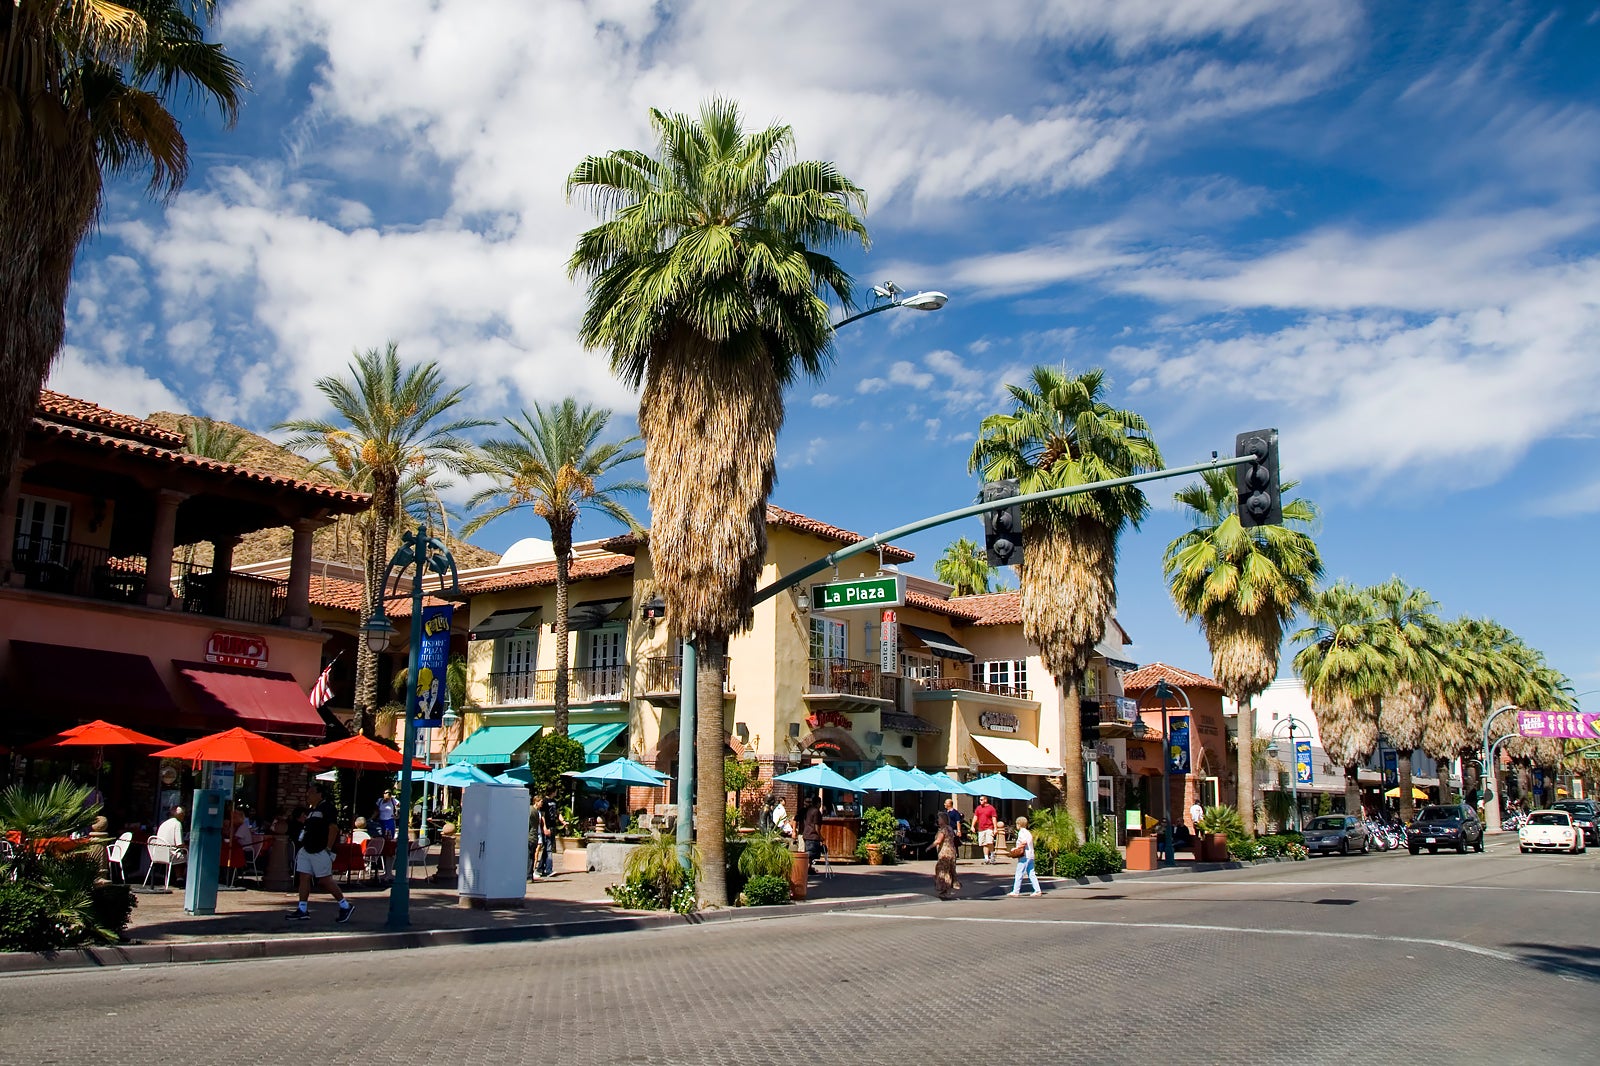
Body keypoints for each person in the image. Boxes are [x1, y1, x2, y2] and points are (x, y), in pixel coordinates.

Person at [288, 783, 354, 923]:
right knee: (304, 877)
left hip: (319, 849)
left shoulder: (327, 808)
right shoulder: (312, 810)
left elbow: (333, 828)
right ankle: (302, 909)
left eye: (311, 792)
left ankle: (345, 905)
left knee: (325, 880)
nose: (308, 795)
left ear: (320, 794)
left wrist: (328, 848)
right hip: (307, 849)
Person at [1007, 815, 1041, 897]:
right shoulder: (1028, 832)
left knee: (1019, 873)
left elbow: (1024, 842)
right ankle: (1037, 890)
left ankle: (1016, 891)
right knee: (1031, 873)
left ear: (1019, 824)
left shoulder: (1022, 832)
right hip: (1031, 855)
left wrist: (1016, 849)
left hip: (1024, 856)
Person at [932, 821, 960, 900]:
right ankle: (947, 889)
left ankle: (945, 890)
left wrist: (929, 847)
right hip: (951, 851)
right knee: (949, 870)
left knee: (943, 871)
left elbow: (938, 841)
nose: (937, 820)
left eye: (939, 818)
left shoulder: (943, 830)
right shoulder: (950, 828)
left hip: (945, 853)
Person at [537, 794, 560, 879]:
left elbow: (557, 813)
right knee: (549, 849)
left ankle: (540, 869)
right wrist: (545, 827)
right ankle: (548, 869)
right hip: (547, 827)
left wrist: (563, 821)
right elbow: (542, 816)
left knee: (547, 849)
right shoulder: (545, 801)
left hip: (553, 827)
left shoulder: (554, 801)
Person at [973, 795, 999, 864]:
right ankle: (986, 858)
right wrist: (972, 826)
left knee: (989, 842)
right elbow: (975, 817)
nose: (980, 801)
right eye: (979, 800)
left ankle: (992, 855)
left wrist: (995, 828)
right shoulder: (978, 808)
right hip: (981, 828)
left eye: (981, 799)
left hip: (989, 827)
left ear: (985, 800)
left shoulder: (991, 808)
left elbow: (994, 818)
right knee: (984, 844)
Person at [800, 798, 824, 862]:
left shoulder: (808, 810)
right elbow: (816, 826)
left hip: (806, 834)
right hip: (812, 835)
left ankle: (809, 867)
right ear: (818, 803)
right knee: (811, 854)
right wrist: (820, 836)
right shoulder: (816, 811)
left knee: (808, 853)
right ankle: (808, 867)